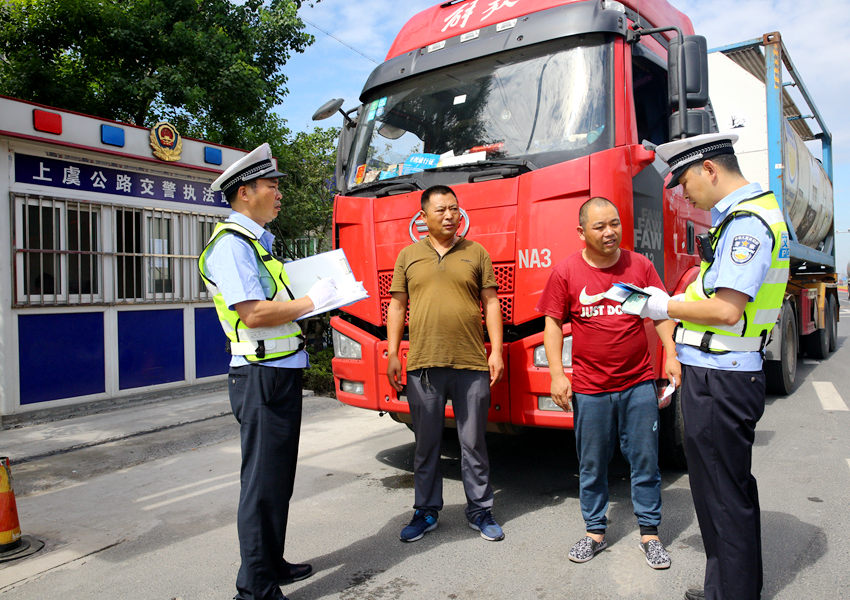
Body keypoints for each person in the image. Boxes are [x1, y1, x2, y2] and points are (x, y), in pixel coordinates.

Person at [647, 133, 790, 600]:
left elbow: (727, 310)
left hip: (722, 377)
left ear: (709, 169)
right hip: (720, 373)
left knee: (722, 495)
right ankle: (727, 587)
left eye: (685, 181)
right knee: (719, 491)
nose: (683, 195)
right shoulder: (745, 217)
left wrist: (662, 306)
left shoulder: (747, 224)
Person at [198, 143, 342, 600]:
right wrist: (312, 302)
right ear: (245, 193)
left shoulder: (258, 245)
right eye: (272, 186)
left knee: (277, 478)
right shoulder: (231, 246)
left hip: (280, 372)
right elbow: (255, 314)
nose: (279, 194)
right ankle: (254, 587)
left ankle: (270, 562)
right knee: (261, 484)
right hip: (259, 377)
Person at [536, 197, 680, 570]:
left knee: (645, 461)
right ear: (581, 232)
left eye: (614, 223)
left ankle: (650, 535)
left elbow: (661, 313)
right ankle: (595, 532)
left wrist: (671, 354)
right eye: (599, 227)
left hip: (637, 384)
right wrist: (556, 373)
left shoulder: (639, 266)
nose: (610, 232)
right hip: (591, 388)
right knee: (592, 463)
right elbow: (552, 323)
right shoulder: (567, 272)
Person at [386, 184, 505, 543]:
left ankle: (480, 510)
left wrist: (496, 351)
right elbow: (397, 306)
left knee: (473, 444)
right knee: (426, 444)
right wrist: (393, 353)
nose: (450, 215)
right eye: (441, 210)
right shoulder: (408, 255)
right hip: (423, 364)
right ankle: (425, 510)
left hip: (470, 363)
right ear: (423, 217)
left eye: (454, 208)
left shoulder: (476, 252)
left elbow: (492, 302)